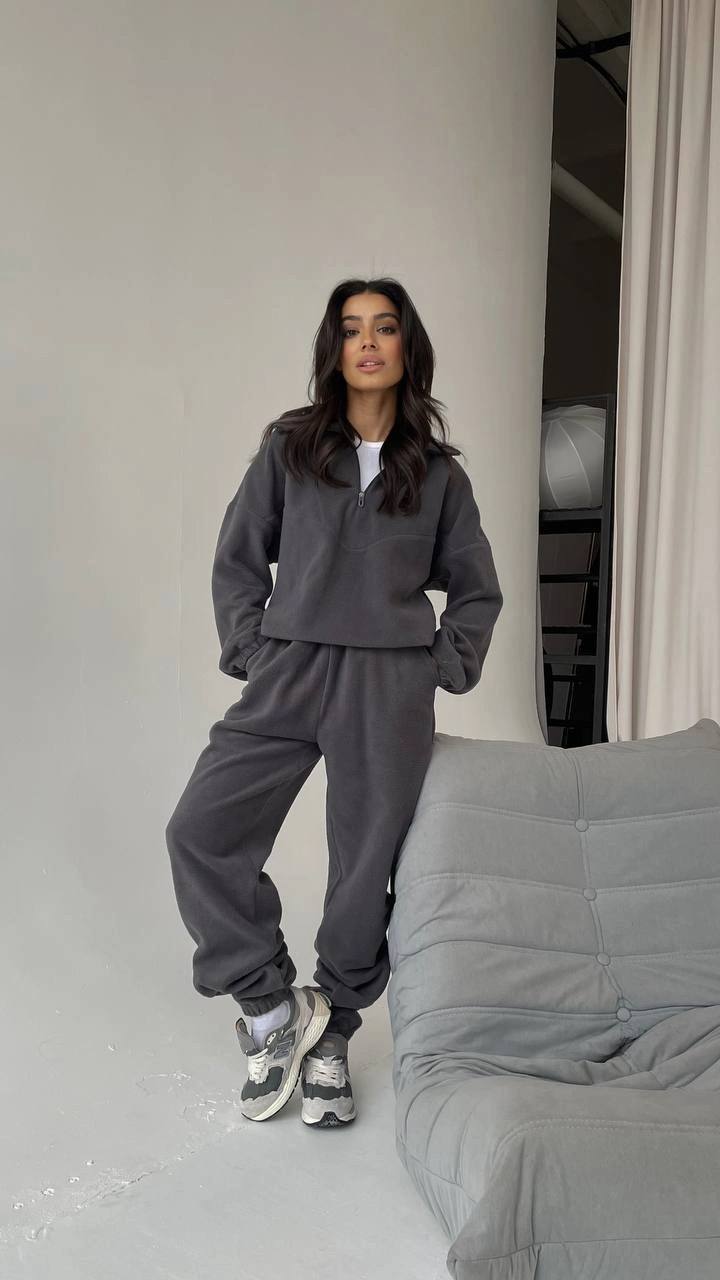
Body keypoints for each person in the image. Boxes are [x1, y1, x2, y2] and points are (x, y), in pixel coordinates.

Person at [165, 276, 504, 1126]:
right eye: (352, 329)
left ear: (406, 348)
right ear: (335, 348)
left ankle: (334, 1034)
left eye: (384, 327)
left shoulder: (438, 475)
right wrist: (252, 649)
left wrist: (441, 664)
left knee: (362, 867)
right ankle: (271, 1008)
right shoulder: (291, 448)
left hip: (386, 686)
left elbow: (477, 589)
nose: (368, 342)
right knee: (201, 831)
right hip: (291, 668)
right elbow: (238, 556)